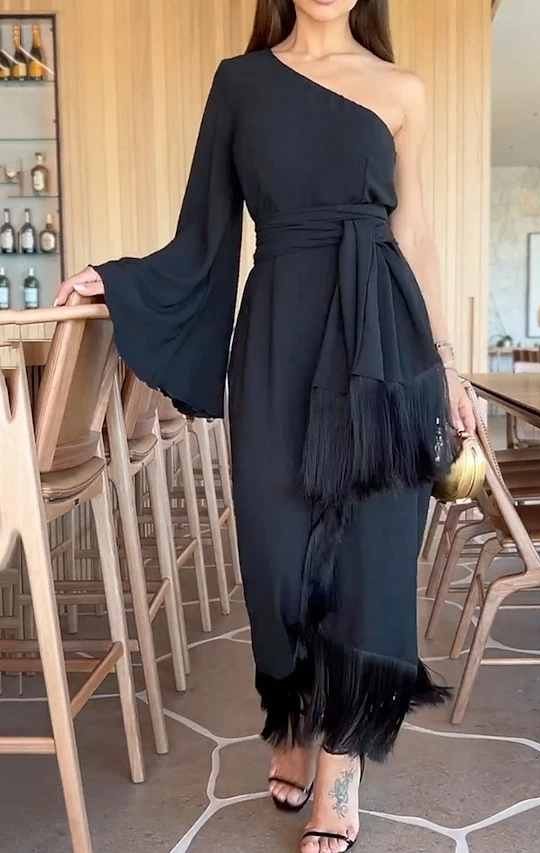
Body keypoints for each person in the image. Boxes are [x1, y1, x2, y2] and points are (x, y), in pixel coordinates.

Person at [56, 1, 475, 850]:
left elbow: (415, 229)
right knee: (276, 552)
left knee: (371, 555)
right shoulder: (241, 84)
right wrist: (123, 280)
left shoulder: (403, 89)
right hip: (279, 334)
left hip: (384, 339)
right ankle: (294, 707)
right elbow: (204, 229)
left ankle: (340, 771)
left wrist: (445, 359)